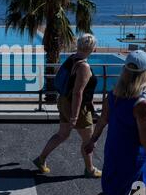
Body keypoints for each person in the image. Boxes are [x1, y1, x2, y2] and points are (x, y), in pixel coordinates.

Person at [79, 50, 146, 195]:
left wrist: (93, 140)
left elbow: (102, 120)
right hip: (129, 160)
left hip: (121, 154)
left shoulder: (113, 96)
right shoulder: (142, 105)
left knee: (138, 190)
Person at [33, 34, 102, 178]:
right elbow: (78, 93)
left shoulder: (72, 58)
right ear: (93, 49)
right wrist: (75, 116)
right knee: (88, 140)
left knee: (62, 134)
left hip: (64, 101)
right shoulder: (84, 66)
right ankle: (90, 169)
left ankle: (41, 159)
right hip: (77, 106)